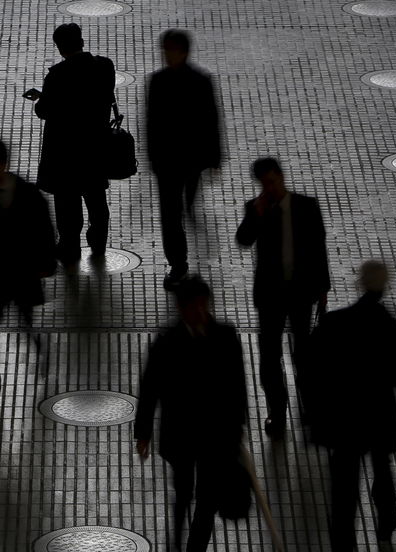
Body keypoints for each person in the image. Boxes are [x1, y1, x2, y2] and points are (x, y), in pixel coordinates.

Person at [302, 261, 396, 551]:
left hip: (345, 418)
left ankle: (344, 542)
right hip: (380, 416)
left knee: (344, 485)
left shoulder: (335, 323)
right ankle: (386, 524)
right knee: (382, 468)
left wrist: (311, 413)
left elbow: (310, 369)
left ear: (361, 284)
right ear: (384, 287)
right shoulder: (393, 328)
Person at [134, 276, 247, 552]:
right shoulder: (167, 342)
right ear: (182, 308)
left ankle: (194, 548)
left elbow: (237, 386)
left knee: (207, 499)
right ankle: (177, 539)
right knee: (183, 492)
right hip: (180, 434)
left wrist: (236, 427)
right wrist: (143, 432)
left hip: (215, 436)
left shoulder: (226, 336)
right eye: (193, 306)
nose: (199, 311)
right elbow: (150, 387)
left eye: (203, 305)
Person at [235, 157, 329, 439]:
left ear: (281, 177)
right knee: (269, 357)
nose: (270, 188)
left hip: (301, 293)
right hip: (271, 297)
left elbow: (318, 248)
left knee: (305, 354)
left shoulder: (306, 206)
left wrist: (323, 290)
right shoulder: (257, 208)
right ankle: (278, 412)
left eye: (272, 182)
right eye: (264, 184)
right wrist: (256, 214)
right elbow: (243, 240)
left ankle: (310, 411)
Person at [0, 138, 56, 419]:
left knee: (25, 318)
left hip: (20, 274)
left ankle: (38, 345)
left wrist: (45, 264)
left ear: (4, 163)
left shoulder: (28, 194)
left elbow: (44, 230)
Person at [25, 23, 116, 268]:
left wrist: (42, 98)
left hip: (65, 151)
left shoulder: (57, 75)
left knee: (67, 202)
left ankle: (69, 247)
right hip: (95, 147)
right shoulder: (105, 67)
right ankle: (98, 243)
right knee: (96, 198)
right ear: (82, 41)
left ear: (60, 47)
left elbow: (45, 111)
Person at [146, 29, 222, 288]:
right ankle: (178, 263)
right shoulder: (158, 81)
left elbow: (212, 119)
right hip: (169, 162)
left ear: (184, 52)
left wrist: (213, 158)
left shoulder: (200, 81)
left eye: (171, 49)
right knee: (170, 214)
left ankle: (188, 209)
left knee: (177, 207)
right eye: (165, 49)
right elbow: (152, 122)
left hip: (190, 160)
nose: (167, 55)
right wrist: (152, 157)